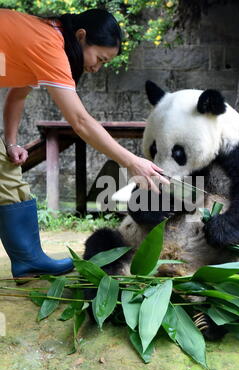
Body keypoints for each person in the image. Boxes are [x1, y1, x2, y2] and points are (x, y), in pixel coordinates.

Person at [0, 7, 168, 281]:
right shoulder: (49, 45)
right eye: (99, 58)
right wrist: (132, 161)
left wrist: (10, 143)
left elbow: (17, 95)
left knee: (6, 171)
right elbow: (80, 121)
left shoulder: (45, 40)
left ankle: (28, 261)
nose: (95, 67)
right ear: (81, 36)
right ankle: (28, 260)